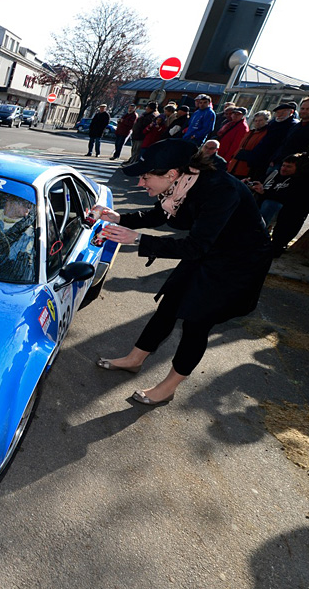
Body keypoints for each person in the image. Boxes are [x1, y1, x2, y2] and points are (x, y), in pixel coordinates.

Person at [94, 139, 272, 405]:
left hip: (238, 263)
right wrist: (119, 218)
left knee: (196, 322)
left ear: (172, 174)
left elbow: (195, 245)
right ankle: (134, 359)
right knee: (169, 305)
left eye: (145, 177)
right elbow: (160, 216)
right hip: (208, 250)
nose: (141, 184)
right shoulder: (181, 186)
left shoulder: (220, 190)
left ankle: (169, 386)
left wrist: (138, 240)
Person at [269, 105, 309, 256]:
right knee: (292, 213)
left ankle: (277, 245)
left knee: (292, 214)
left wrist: (300, 172)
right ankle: (278, 243)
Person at [249, 153, 303, 228]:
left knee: (270, 204)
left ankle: (258, 229)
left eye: (288, 167)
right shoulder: (275, 173)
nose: (284, 169)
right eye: (283, 165)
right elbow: (260, 181)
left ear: (296, 168)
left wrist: (264, 192)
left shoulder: (296, 181)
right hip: (260, 202)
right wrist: (251, 184)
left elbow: (284, 197)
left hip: (276, 209)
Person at [227, 110, 271, 180]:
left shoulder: (266, 134)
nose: (257, 123)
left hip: (246, 168)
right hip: (235, 165)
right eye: (256, 121)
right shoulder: (250, 132)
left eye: (260, 120)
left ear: (267, 121)